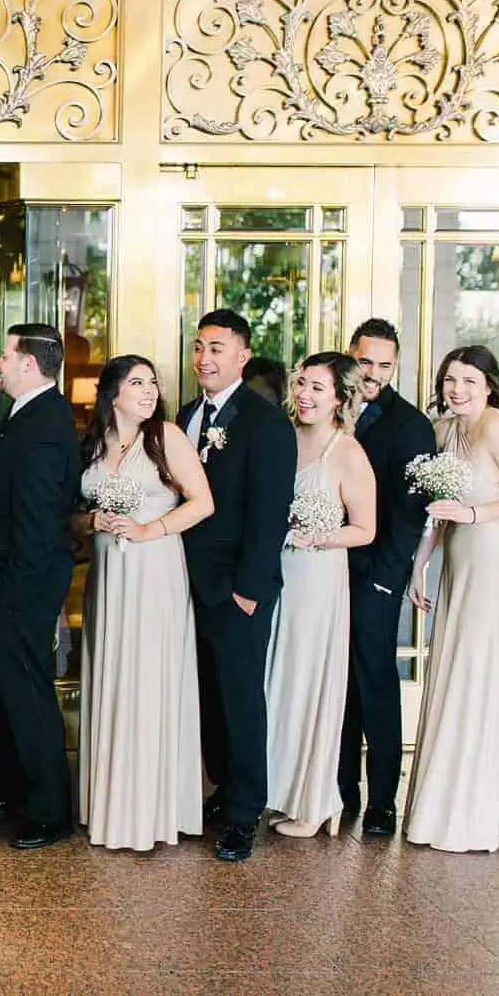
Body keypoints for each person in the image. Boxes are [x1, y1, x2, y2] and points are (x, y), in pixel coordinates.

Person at [405, 345, 499, 853]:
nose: (456, 389)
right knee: (452, 681)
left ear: (488, 385)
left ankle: (472, 815)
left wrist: (475, 514)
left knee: (477, 683)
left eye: (468, 380)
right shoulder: (445, 431)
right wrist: (419, 563)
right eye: (450, 379)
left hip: (492, 567)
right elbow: (437, 513)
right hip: (456, 568)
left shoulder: (497, 429)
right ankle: (440, 808)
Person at [77, 355, 213, 852]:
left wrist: (148, 529)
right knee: (113, 675)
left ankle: (150, 808)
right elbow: (78, 510)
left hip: (155, 572)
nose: (149, 390)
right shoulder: (94, 442)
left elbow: (202, 502)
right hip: (109, 575)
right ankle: (109, 802)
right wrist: (94, 522)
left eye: (153, 382)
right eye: (137, 383)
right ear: (113, 392)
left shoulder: (166, 437)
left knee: (147, 678)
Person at [176, 309, 297, 862]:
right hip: (188, 582)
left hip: (237, 587)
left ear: (242, 357)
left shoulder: (265, 421)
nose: (205, 358)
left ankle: (246, 813)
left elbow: (270, 513)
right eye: (200, 346)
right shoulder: (184, 416)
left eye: (218, 348)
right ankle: (223, 788)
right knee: (207, 693)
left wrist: (248, 589)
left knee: (241, 696)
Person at [0, 323, 81, 850]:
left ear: (30, 364)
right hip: (8, 579)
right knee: (13, 692)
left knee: (31, 694)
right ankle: (20, 791)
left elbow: (36, 517)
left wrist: (17, 589)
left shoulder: (45, 423)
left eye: (6, 356)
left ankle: (51, 811)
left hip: (22, 585)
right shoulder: (27, 414)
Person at [264, 353, 376, 839]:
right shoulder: (281, 437)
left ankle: (315, 801)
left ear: (340, 399)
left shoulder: (347, 452)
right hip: (276, 573)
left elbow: (365, 530)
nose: (305, 396)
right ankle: (276, 789)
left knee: (309, 679)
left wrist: (318, 536)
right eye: (301, 384)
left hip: (316, 577)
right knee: (277, 677)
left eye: (317, 388)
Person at [339, 318, 436, 836]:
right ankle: (340, 789)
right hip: (329, 570)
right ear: (351, 357)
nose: (373, 373)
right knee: (339, 681)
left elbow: (410, 514)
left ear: (394, 367)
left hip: (375, 574)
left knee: (376, 683)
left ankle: (381, 800)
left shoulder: (410, 425)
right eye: (366, 361)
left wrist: (385, 579)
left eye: (384, 364)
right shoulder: (332, 407)